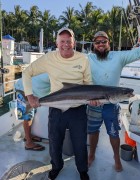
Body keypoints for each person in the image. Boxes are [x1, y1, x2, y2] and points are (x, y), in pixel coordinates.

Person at [22, 27, 92, 180]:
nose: (65, 44)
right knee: (54, 142)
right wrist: (30, 96)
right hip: (56, 108)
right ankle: (56, 167)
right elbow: (27, 72)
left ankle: (82, 170)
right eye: (62, 41)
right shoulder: (49, 58)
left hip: (78, 109)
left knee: (80, 144)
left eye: (69, 41)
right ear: (56, 43)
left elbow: (88, 83)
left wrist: (93, 99)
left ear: (74, 42)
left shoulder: (83, 59)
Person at [87, 21, 140, 172]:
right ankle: (91, 154)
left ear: (109, 43)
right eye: (98, 42)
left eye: (104, 41)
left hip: (111, 104)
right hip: (93, 103)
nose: (101, 44)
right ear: (94, 45)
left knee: (114, 132)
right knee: (93, 131)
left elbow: (139, 53)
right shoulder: (87, 58)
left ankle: (116, 157)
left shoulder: (118, 57)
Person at [15, 73, 50, 151]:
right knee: (27, 116)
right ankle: (28, 143)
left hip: (33, 91)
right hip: (23, 89)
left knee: (30, 115)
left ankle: (28, 136)